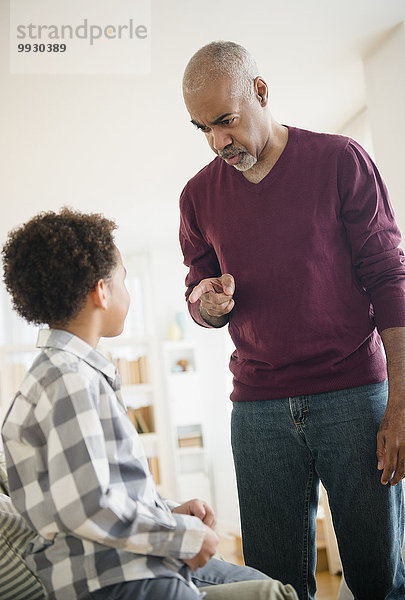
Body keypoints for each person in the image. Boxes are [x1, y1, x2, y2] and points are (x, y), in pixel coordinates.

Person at [179, 41, 405, 600]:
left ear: (259, 91)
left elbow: (390, 280)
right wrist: (205, 305)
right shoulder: (197, 196)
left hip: (354, 395)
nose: (216, 142)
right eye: (202, 128)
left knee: (380, 578)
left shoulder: (340, 160)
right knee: (272, 585)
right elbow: (196, 289)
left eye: (225, 122)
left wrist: (400, 402)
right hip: (256, 410)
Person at [1, 208, 298, 600]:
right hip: (119, 584)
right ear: (101, 291)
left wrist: (166, 514)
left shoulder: (69, 373)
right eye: (124, 279)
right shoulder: (66, 380)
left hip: (132, 573)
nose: (129, 290)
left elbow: (98, 490)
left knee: (273, 591)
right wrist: (181, 536)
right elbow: (88, 508)